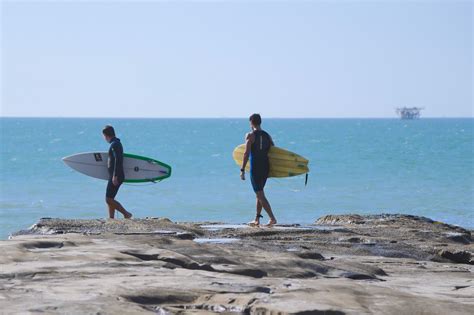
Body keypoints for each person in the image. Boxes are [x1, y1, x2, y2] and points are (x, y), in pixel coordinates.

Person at [240, 114, 277, 226]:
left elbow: (246, 153)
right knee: (259, 193)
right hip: (265, 167)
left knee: (260, 194)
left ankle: (272, 218)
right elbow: (274, 150)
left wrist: (242, 169)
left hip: (255, 167)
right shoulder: (267, 135)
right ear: (260, 122)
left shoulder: (250, 135)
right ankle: (257, 219)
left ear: (251, 122)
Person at [102, 125, 132, 219]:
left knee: (108, 199)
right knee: (110, 198)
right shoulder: (115, 143)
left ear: (106, 135)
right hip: (115, 175)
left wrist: (115, 175)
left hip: (116, 176)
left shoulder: (115, 144)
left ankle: (126, 214)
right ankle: (111, 218)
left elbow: (118, 160)